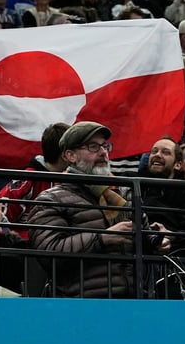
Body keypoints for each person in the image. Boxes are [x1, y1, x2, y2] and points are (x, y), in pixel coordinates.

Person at [29, 121, 171, 298]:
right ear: (70, 155)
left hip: (132, 304)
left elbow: (141, 237)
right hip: (83, 307)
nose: (103, 152)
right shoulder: (51, 199)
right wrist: (102, 238)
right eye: (93, 147)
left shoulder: (122, 194)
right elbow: (48, 253)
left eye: (105, 146)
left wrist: (156, 239)